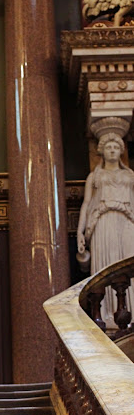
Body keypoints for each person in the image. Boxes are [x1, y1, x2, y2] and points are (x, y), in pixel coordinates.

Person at [77, 132, 134, 326]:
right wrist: (79, 231)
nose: (112, 150)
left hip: (126, 221)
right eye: (109, 147)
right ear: (102, 151)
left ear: (121, 151)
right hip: (102, 222)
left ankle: (130, 312)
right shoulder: (95, 176)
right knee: (105, 265)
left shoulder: (129, 175)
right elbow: (86, 203)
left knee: (127, 262)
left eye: (116, 147)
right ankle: (108, 314)